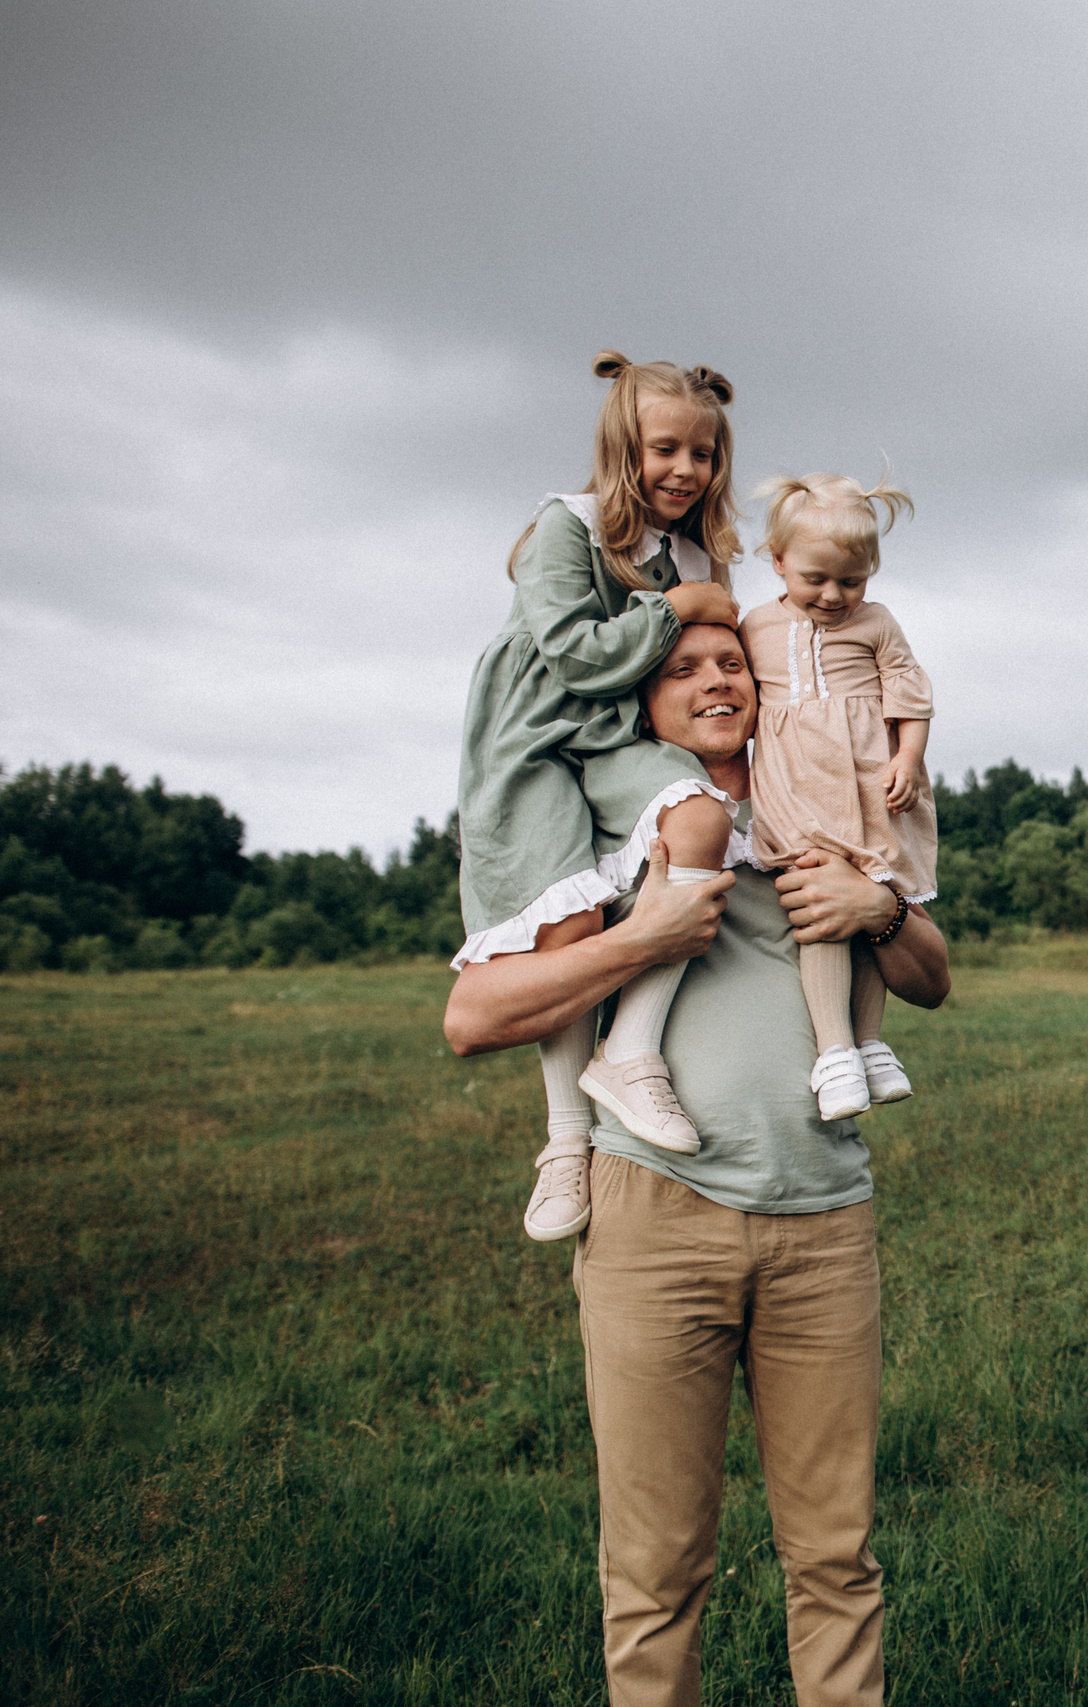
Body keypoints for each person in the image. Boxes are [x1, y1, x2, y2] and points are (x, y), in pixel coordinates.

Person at [444, 621, 948, 1707]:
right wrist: (642, 936)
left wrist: (883, 909)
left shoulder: (827, 799)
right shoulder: (612, 832)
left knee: (835, 1556)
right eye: (682, 669)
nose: (715, 679)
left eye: (731, 663)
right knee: (656, 1567)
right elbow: (470, 1017)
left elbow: (934, 975)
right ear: (643, 703)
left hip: (824, 1218)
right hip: (654, 1221)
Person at [452, 351, 752, 1246]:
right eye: (666, 449)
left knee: (699, 816)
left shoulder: (700, 555)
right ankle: (564, 1141)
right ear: (625, 447)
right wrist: (675, 608)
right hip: (540, 734)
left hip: (625, 739)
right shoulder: (568, 526)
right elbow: (572, 654)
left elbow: (710, 671)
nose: (684, 471)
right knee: (569, 926)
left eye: (702, 455)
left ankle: (631, 1053)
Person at [740, 473, 937, 1121]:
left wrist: (909, 755)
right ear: (778, 562)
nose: (833, 595)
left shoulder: (877, 623)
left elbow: (910, 693)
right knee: (818, 894)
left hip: (868, 784)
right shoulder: (757, 625)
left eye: (851, 581)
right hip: (797, 786)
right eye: (815, 579)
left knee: (868, 894)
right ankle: (834, 1050)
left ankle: (871, 1042)